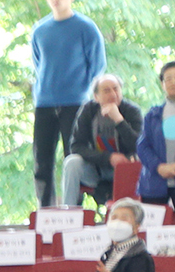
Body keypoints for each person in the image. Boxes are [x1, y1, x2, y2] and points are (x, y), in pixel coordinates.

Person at [30, 0, 106, 207]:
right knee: (41, 161)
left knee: (72, 159)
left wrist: (84, 94)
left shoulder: (86, 27)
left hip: (76, 104)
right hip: (44, 103)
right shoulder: (40, 30)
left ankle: (74, 209)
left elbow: (98, 66)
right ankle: (45, 209)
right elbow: (38, 63)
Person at [60, 74, 141, 207]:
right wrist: (108, 158)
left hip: (124, 170)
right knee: (72, 161)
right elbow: (76, 146)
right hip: (96, 169)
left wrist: (119, 120)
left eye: (116, 89)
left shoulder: (132, 111)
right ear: (96, 97)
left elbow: (139, 146)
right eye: (107, 91)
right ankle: (69, 211)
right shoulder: (88, 110)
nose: (113, 94)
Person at [137, 61, 175, 207]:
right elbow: (143, 147)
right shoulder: (152, 115)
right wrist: (160, 167)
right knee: (153, 229)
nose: (173, 82)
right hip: (155, 184)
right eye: (168, 79)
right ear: (162, 84)